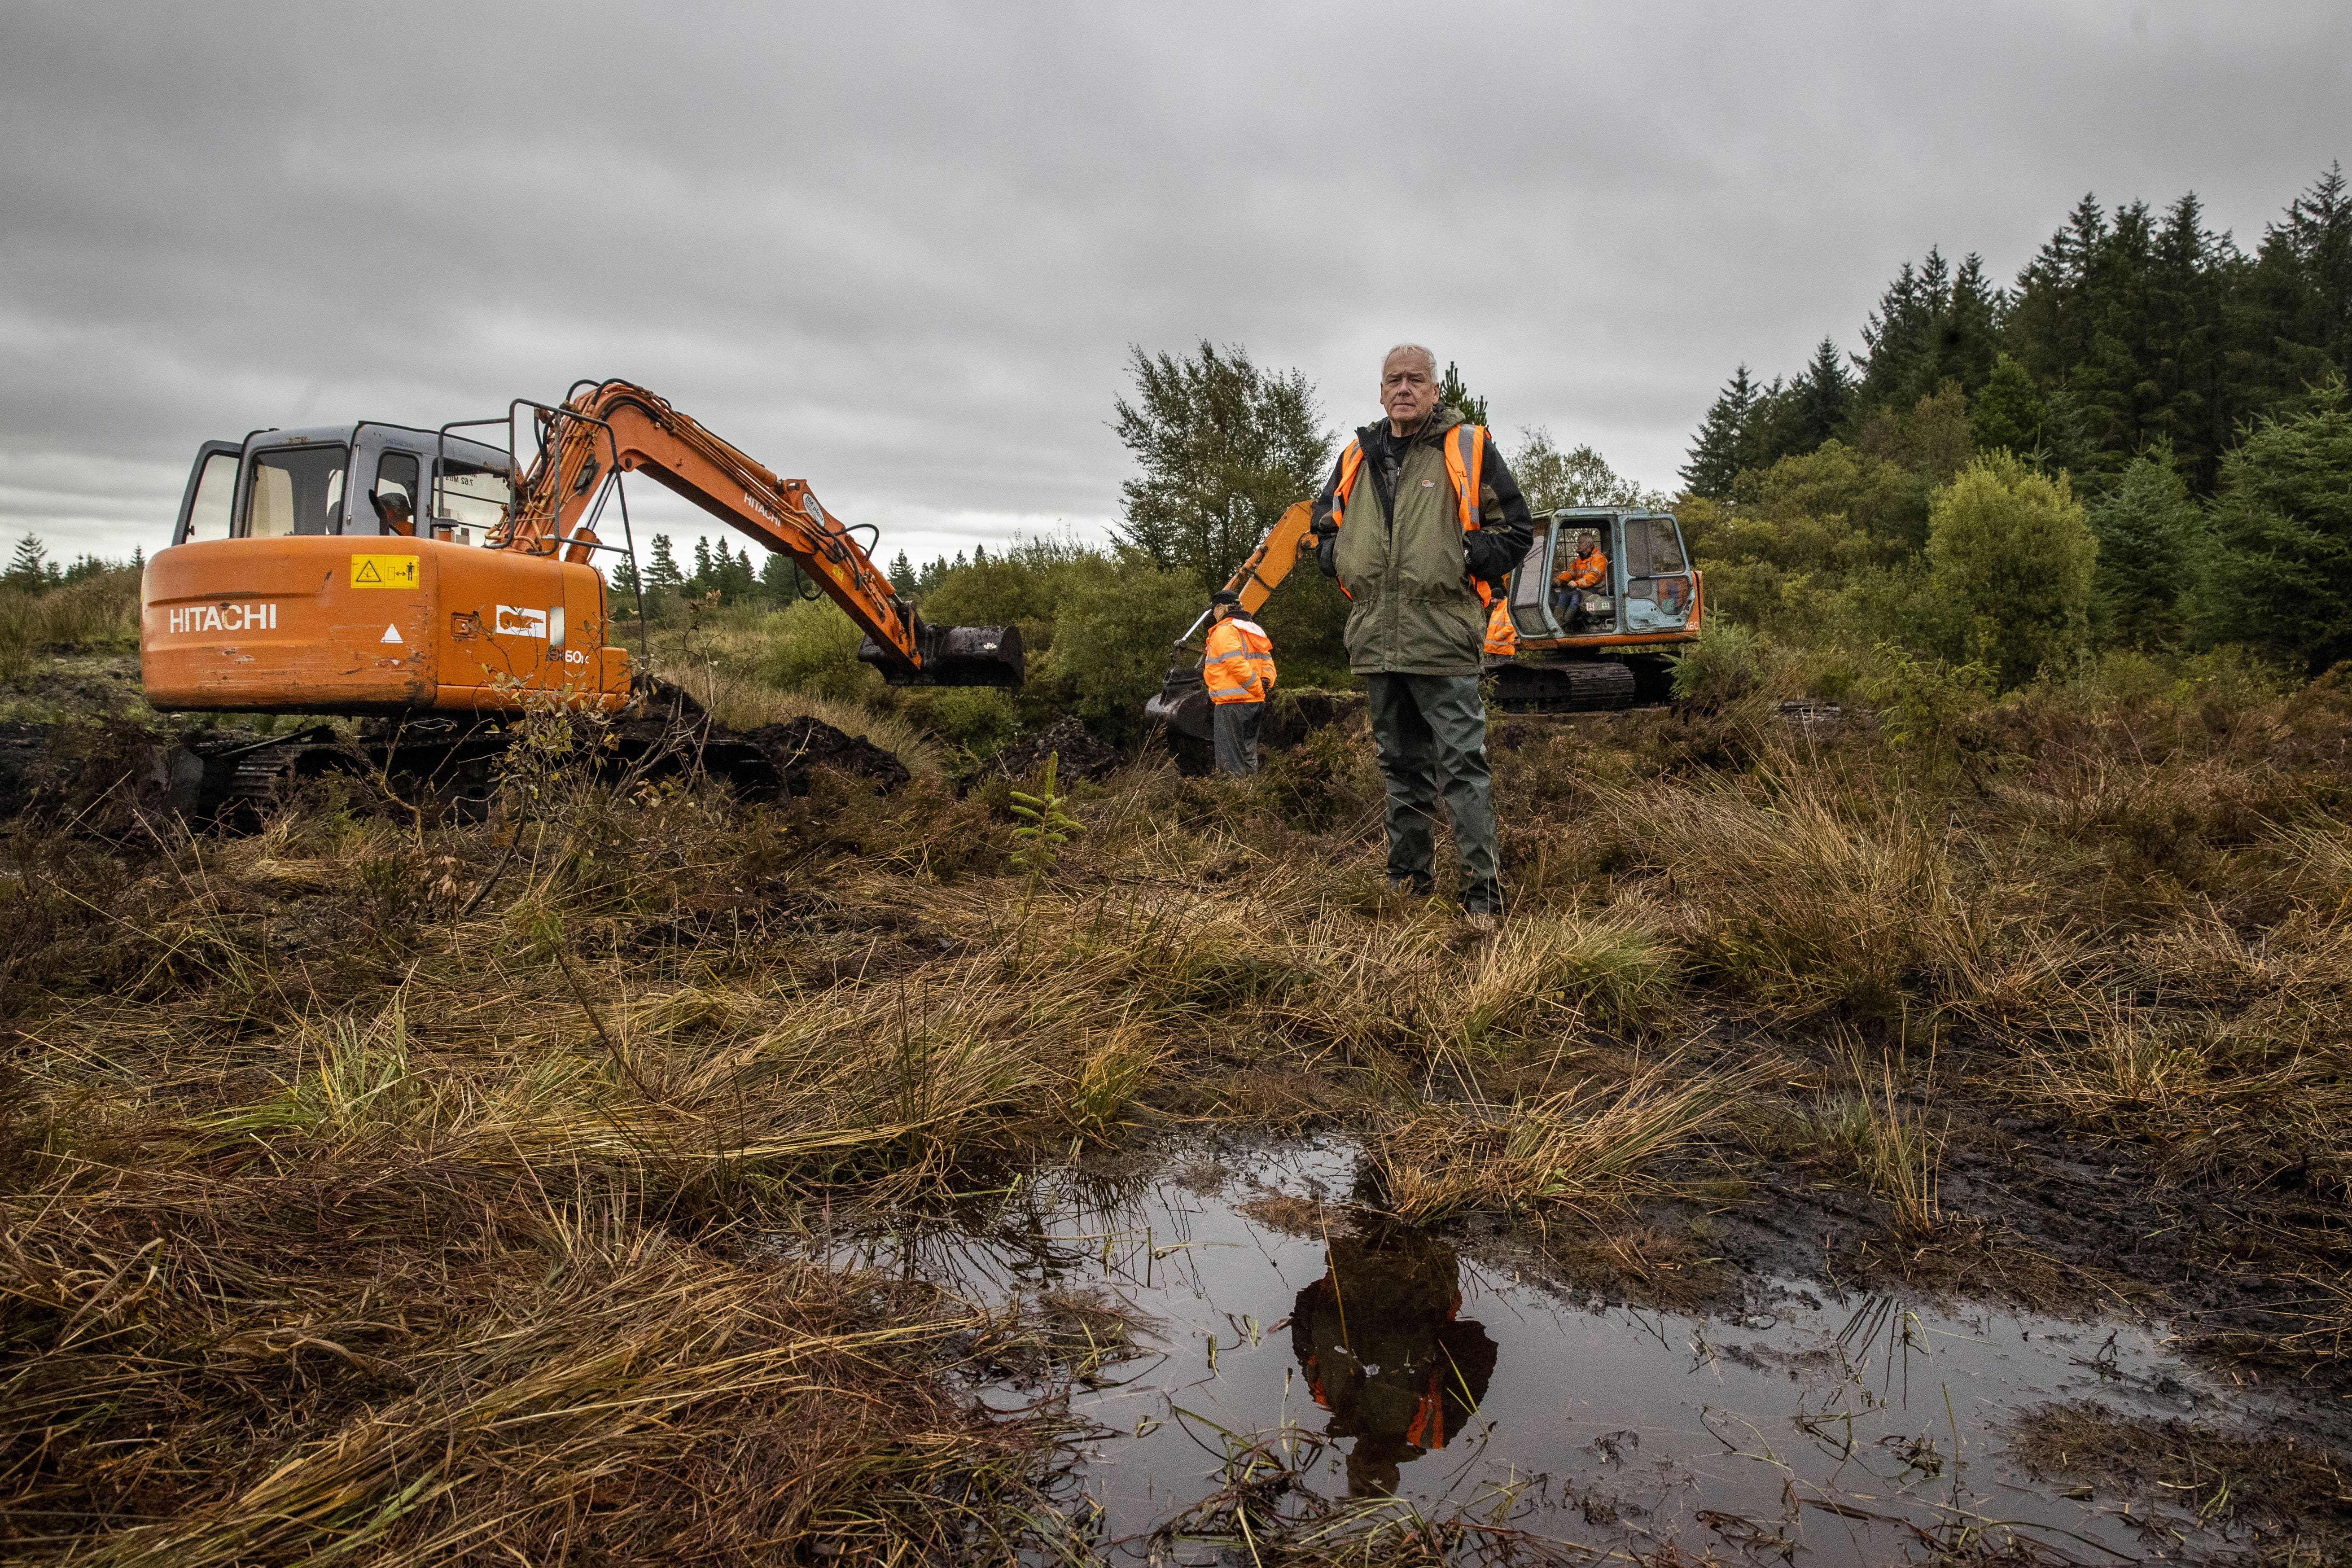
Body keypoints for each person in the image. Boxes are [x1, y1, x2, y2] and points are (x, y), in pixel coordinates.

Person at [1310, 344, 1533, 933]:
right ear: (1380, 392)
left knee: (1463, 768)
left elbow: (1517, 532)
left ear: (1435, 390)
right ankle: (1407, 887)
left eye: (1416, 379)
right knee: (1400, 770)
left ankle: (1482, 898)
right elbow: (1321, 527)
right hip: (1377, 641)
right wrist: (1340, 559)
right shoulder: (1356, 454)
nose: (1404, 388)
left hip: (1442, 638)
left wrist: (1466, 555)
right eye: (1393, 380)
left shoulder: (1467, 447)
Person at [1202, 588, 1275, 777]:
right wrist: (1265, 683)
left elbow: (1235, 664)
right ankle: (1252, 798)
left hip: (1232, 705)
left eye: (1214, 610)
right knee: (1248, 755)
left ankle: (1234, 803)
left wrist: (1256, 686)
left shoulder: (1225, 630)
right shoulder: (1254, 628)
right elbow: (1267, 662)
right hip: (1255, 704)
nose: (1213, 614)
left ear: (1221, 607)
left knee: (1230, 763)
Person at [1553, 529, 1606, 626]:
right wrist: (1556, 581)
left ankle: (1565, 623)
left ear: (1589, 545)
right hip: (1582, 587)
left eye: (1580, 543)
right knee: (1564, 594)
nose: (1578, 545)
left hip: (1595, 588)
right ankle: (1556, 623)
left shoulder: (1599, 558)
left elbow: (1594, 576)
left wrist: (1577, 583)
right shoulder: (1580, 560)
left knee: (1575, 596)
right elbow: (1570, 574)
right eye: (1578, 542)